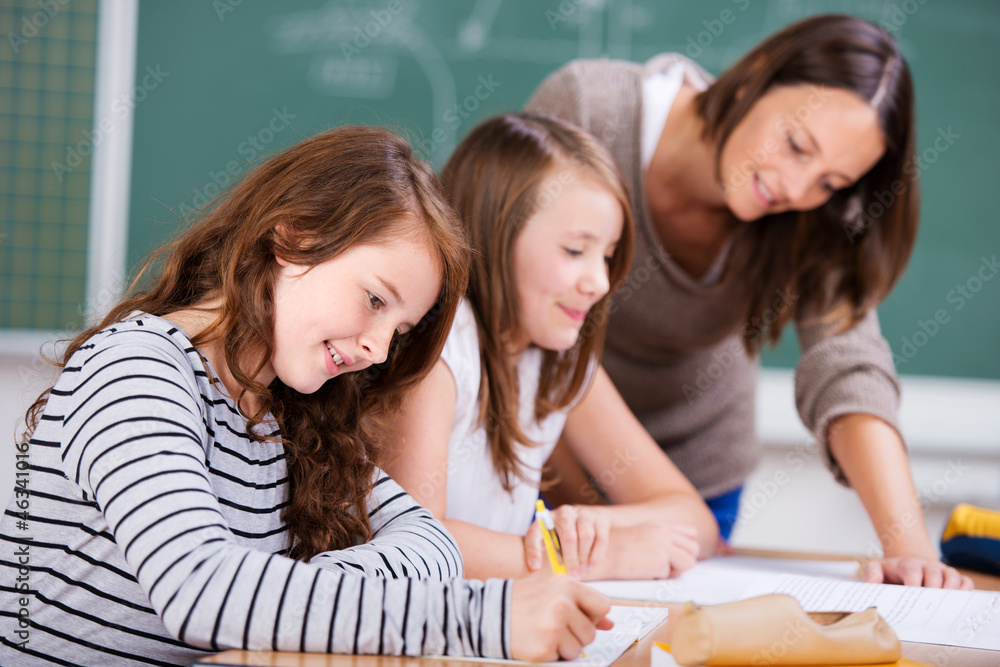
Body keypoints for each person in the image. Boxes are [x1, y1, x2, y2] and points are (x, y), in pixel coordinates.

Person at [0, 126, 613, 666]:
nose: (377, 347)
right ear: (293, 237)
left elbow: (433, 544)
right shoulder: (136, 369)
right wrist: (485, 619)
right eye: (375, 299)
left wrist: (279, 592)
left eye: (398, 331)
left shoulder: (295, 411)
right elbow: (202, 591)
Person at [525, 14, 973, 589]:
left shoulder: (815, 215)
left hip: (695, 483)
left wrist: (911, 550)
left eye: (831, 181)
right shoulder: (589, 110)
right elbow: (513, 314)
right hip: (548, 449)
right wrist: (584, 501)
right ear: (755, 76)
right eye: (795, 144)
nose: (795, 188)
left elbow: (848, 367)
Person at [384, 113, 718, 582]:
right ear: (496, 236)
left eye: (606, 255)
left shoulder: (558, 358)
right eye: (574, 251)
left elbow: (695, 521)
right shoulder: (442, 348)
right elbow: (411, 543)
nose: (599, 282)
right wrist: (586, 555)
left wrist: (587, 528)